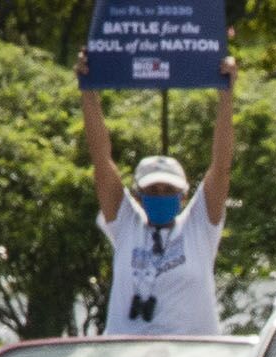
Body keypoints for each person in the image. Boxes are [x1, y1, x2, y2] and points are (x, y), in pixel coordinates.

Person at [78, 52, 236, 336]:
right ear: (138, 195)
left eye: (168, 190)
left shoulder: (199, 226)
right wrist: (88, 91)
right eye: (152, 190)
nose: (160, 195)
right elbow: (101, 161)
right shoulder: (127, 225)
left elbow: (221, 166)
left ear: (184, 195)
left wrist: (226, 95)